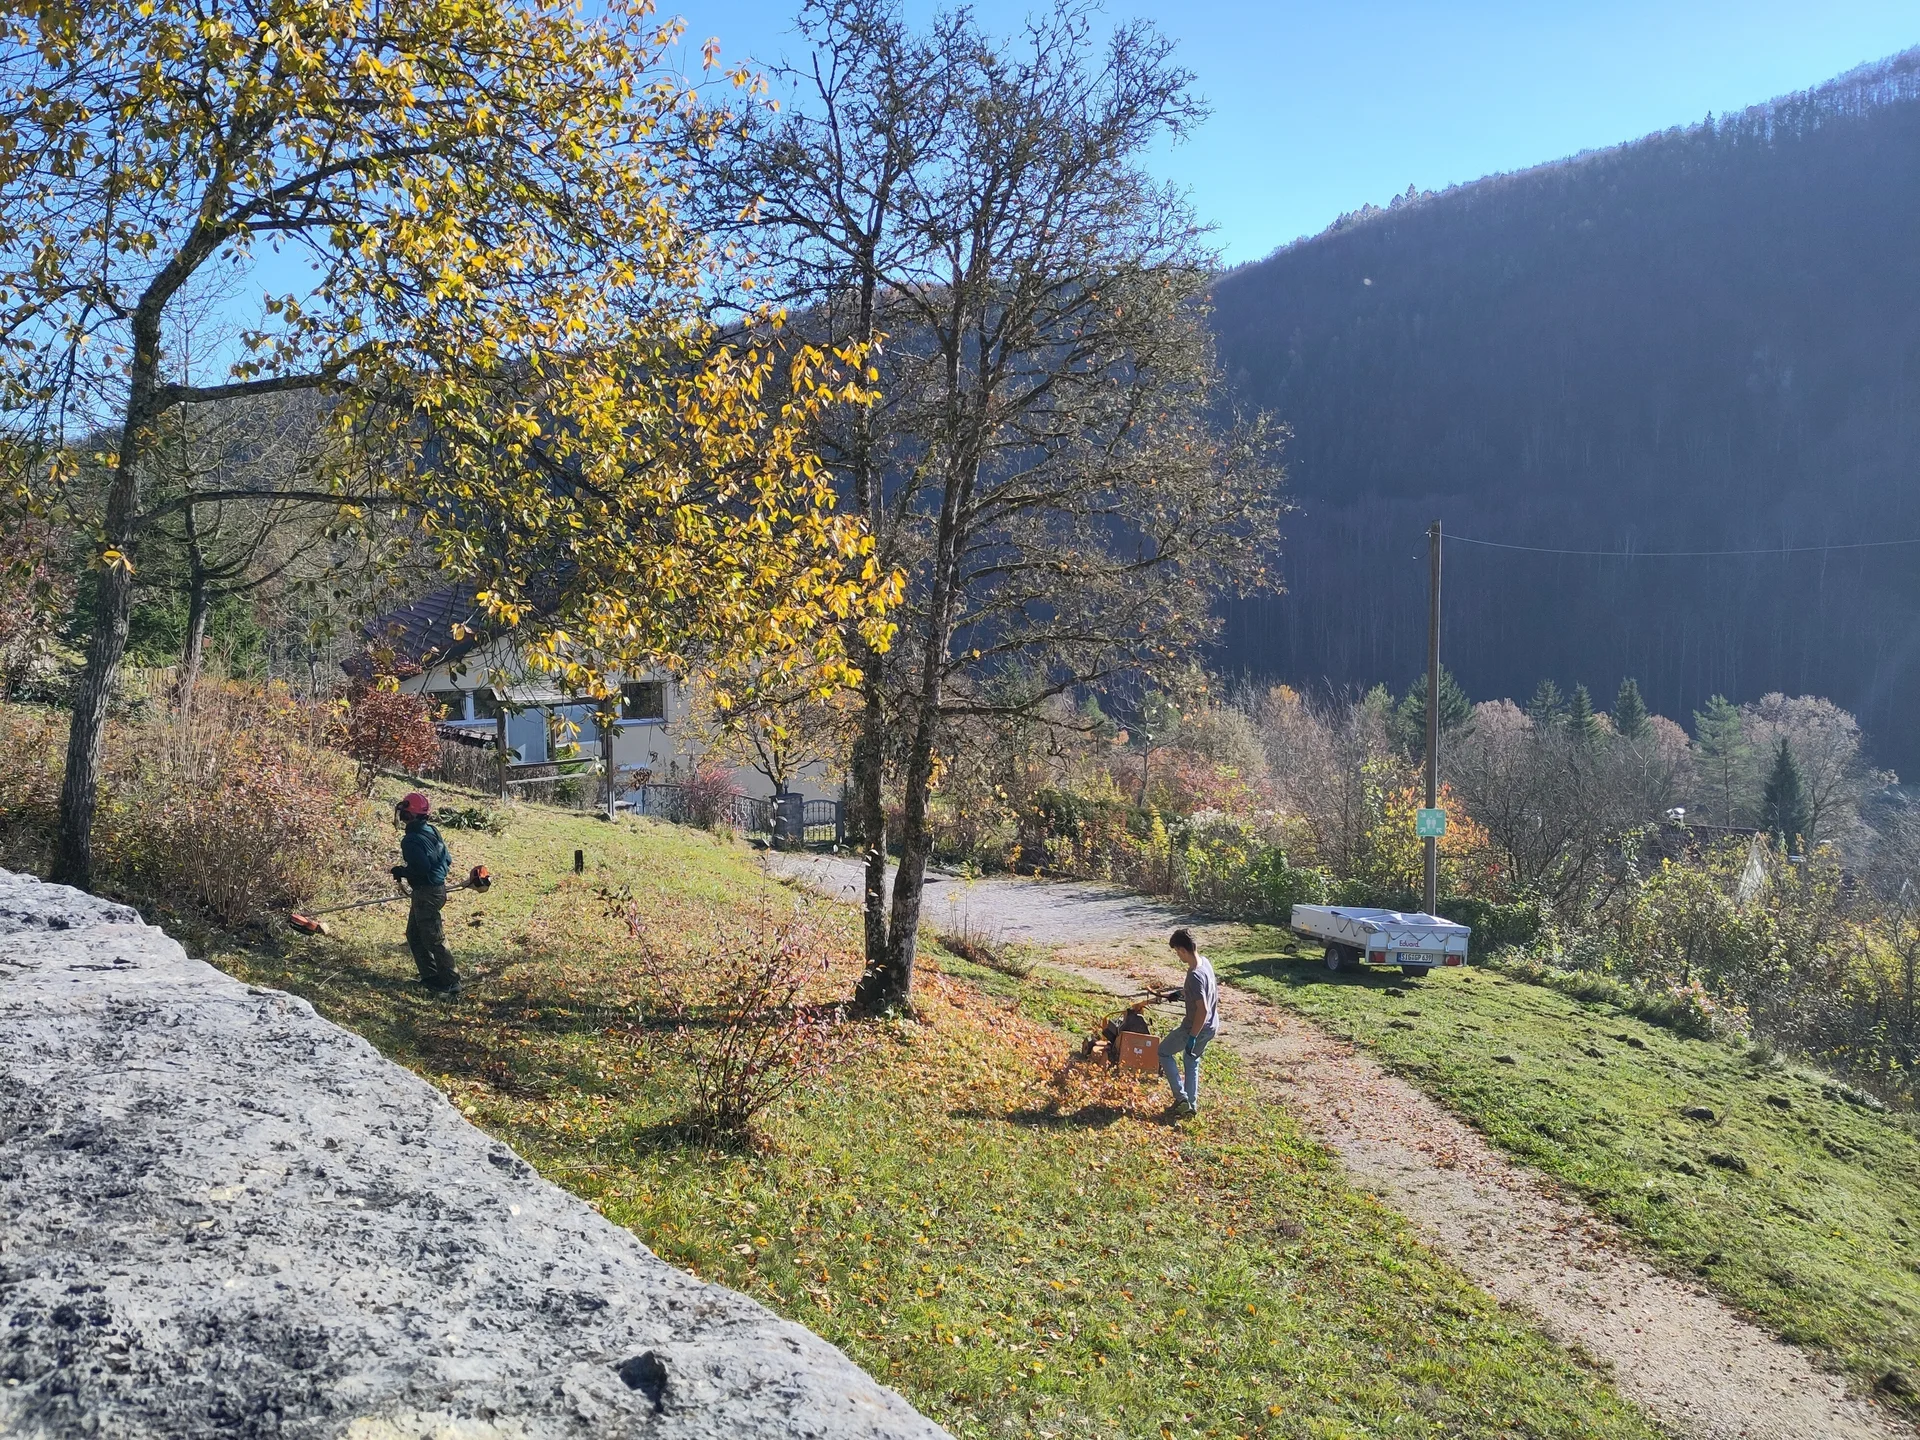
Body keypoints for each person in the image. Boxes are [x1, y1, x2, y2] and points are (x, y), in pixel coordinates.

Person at [392, 791, 458, 995]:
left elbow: (421, 867)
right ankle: (431, 978)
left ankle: (451, 982)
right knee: (414, 935)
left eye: (403, 811)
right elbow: (447, 859)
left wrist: (401, 872)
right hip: (436, 890)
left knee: (434, 938)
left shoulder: (410, 840)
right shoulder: (432, 830)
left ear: (409, 814)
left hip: (426, 893)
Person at [1158, 928, 1219, 1117]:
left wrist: (1192, 1036)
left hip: (1196, 1027)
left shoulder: (1194, 975)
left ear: (1183, 950)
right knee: (1191, 1060)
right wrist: (1179, 994)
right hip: (1211, 1026)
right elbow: (1201, 993)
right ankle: (1190, 1106)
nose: (1177, 955)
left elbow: (1203, 1009)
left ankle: (1181, 1098)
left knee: (1163, 1051)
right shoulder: (1205, 963)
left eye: (1177, 951)